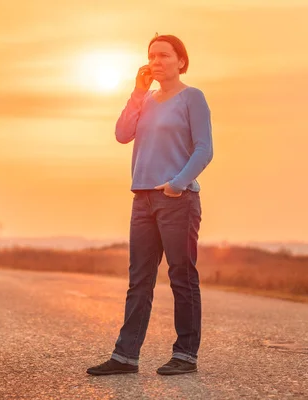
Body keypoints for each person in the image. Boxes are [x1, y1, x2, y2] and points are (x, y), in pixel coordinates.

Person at [87, 33, 213, 376]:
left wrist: (176, 184)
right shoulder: (145, 99)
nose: (156, 62)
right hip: (141, 198)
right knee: (139, 280)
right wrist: (137, 92)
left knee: (181, 277)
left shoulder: (193, 98)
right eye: (151, 56)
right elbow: (122, 133)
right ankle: (125, 357)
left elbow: (204, 149)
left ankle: (185, 355)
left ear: (180, 62)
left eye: (164, 56)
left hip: (177, 200)